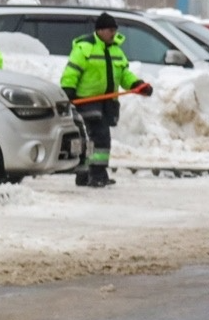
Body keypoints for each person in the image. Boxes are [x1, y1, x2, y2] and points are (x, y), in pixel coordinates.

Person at [59, 12, 153, 188]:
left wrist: (138, 85)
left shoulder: (116, 50)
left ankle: (84, 175)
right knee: (101, 138)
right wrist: (68, 90)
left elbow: (124, 74)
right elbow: (72, 71)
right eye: (110, 30)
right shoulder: (85, 48)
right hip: (87, 100)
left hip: (107, 102)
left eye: (115, 30)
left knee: (91, 140)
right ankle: (98, 175)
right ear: (100, 31)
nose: (113, 33)